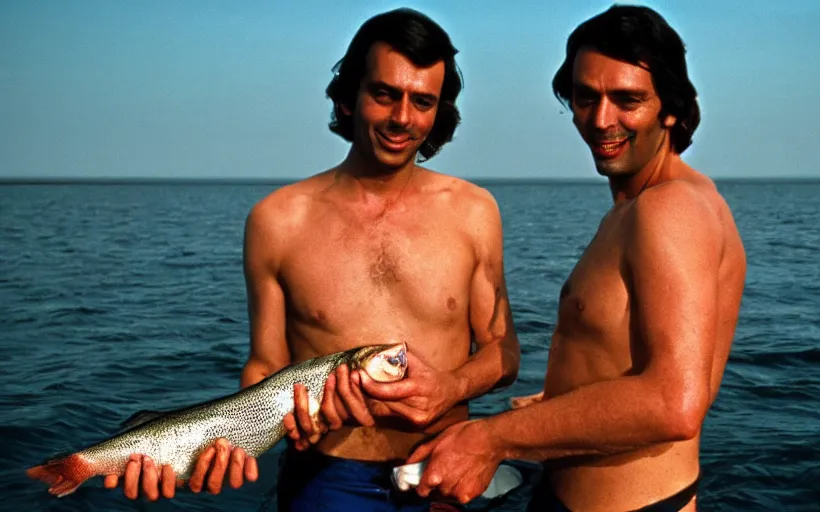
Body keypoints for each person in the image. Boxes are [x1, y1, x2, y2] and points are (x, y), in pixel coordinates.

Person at [103, 8, 520, 510]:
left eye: (422, 101)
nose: (402, 118)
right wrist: (219, 448)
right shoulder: (276, 220)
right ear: (349, 97)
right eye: (384, 94)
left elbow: (504, 350)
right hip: (326, 477)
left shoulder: (475, 211)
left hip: (444, 469)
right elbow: (265, 364)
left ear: (438, 113)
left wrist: (451, 386)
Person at [401, 5, 747, 511]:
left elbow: (676, 404)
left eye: (628, 100)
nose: (602, 119)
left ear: (669, 108)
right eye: (587, 97)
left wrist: (491, 438)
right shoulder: (641, 208)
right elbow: (683, 374)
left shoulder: (669, 210)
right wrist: (565, 402)